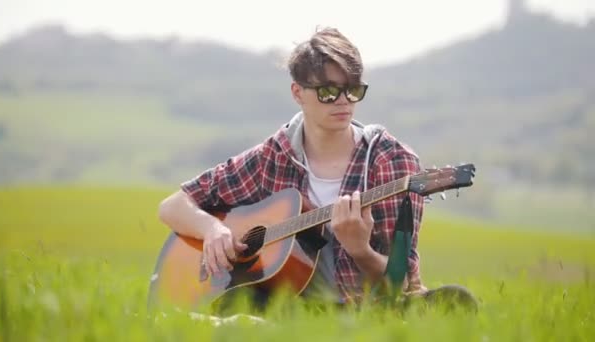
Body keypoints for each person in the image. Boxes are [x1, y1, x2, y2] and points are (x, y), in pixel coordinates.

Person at [158, 27, 476, 311]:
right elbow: (173, 206)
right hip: (292, 306)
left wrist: (360, 250)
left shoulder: (391, 161)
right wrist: (212, 229)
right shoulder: (274, 155)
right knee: (237, 303)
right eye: (328, 91)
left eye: (353, 90)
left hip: (370, 308)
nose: (343, 101)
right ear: (298, 93)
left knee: (456, 302)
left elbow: (399, 283)